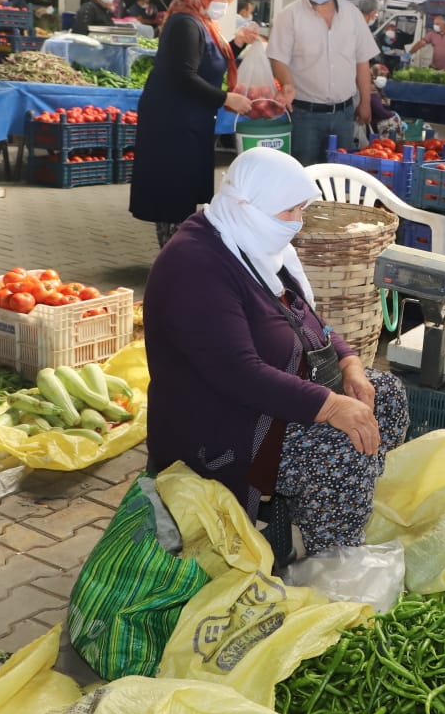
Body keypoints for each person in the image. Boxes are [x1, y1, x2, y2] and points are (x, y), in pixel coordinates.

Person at [144, 146, 408, 552]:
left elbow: (302, 315)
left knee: (384, 396)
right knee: (340, 447)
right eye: (290, 212)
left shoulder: (250, 241)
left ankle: (331, 513)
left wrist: (349, 361)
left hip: (270, 398)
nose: (297, 224)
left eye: (301, 210)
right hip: (224, 427)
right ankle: (334, 559)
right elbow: (238, 373)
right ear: (249, 202)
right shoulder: (195, 267)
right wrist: (331, 406)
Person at [129, 0, 257, 247]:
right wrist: (226, 98)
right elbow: (184, 75)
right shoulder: (185, 23)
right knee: (174, 192)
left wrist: (236, 43)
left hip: (189, 120)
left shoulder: (202, 23)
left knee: (183, 190)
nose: (223, 3)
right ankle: (172, 257)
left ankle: (177, 253)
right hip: (172, 124)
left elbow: (208, 63)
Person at [267, 0, 376, 166]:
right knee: (304, 174)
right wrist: (287, 84)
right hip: (305, 115)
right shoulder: (289, 16)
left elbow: (362, 61)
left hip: (345, 114)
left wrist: (366, 102)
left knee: (339, 176)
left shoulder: (352, 14)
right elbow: (277, 58)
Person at [366, 63, 404, 143]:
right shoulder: (371, 91)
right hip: (373, 124)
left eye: (385, 77)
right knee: (394, 120)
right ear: (373, 75)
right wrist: (392, 114)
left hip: (376, 121)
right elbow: (379, 111)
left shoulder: (378, 91)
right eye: (381, 75)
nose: (384, 79)